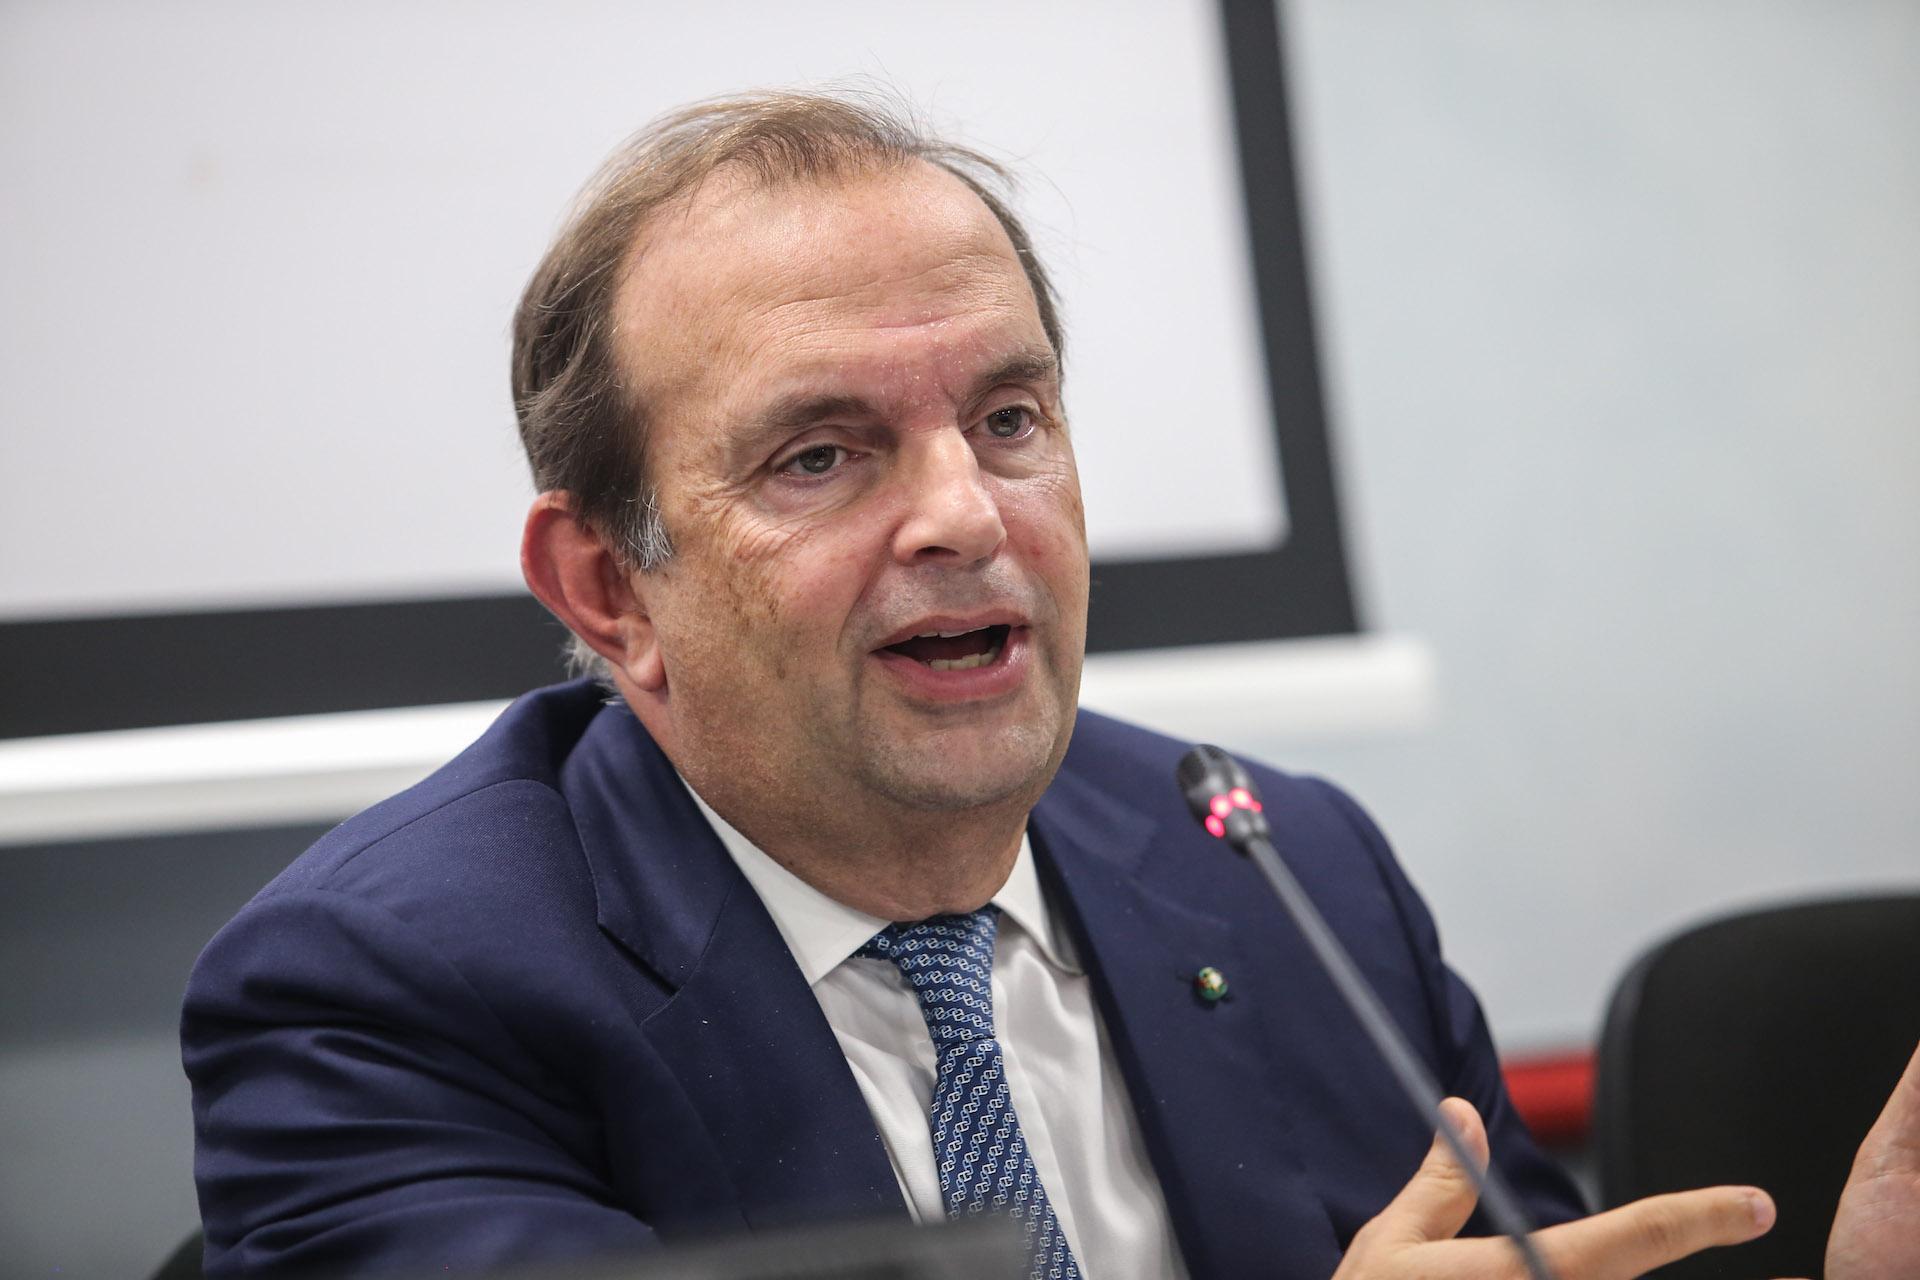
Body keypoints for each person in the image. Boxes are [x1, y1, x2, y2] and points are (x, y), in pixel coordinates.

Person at [182, 92, 1918, 1280]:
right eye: (819, 454)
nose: (965, 514)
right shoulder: (388, 996)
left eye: (1008, 419)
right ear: (611, 591)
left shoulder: (1287, 868)